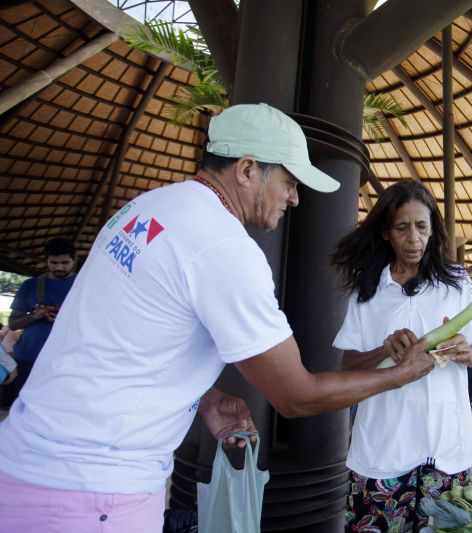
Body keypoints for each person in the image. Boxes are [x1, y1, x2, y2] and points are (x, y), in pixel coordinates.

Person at [0, 103, 435, 531]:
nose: (294, 197)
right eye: (288, 181)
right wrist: (400, 374)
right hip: (93, 492)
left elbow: (121, 341)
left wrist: (204, 398)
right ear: (247, 169)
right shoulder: (223, 247)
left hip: (24, 460)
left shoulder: (148, 207)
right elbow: (296, 395)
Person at [331, 179, 472, 532]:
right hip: (382, 450)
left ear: (433, 228)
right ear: (386, 233)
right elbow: (347, 366)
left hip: (446, 449)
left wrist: (468, 350)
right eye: (402, 228)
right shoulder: (368, 290)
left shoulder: (456, 283)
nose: (414, 239)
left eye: (421, 227)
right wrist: (382, 349)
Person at [0, 237, 76, 409]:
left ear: (74, 260)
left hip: (66, 359)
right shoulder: (31, 285)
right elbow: (13, 324)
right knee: (15, 407)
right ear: (46, 261)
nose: (59, 267)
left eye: (65, 262)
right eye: (53, 262)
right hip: (28, 356)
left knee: (55, 408)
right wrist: (36, 315)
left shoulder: (82, 285)